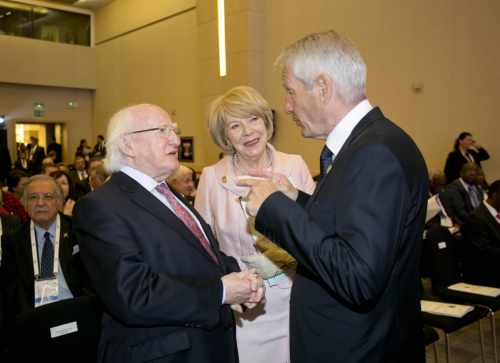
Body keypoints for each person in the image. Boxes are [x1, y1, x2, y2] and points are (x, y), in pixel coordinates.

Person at [239, 30, 428, 363]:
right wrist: (296, 199)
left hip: (359, 349)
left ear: (323, 88)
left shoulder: (375, 153)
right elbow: (348, 230)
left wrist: (275, 209)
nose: (286, 106)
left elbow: (358, 275)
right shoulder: (368, 144)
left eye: (290, 92)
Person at [72, 103, 264, 363]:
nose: (175, 139)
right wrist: (221, 292)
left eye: (174, 130)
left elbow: (203, 256)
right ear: (128, 146)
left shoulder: (167, 193)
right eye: (162, 130)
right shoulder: (100, 207)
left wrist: (241, 280)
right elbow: (133, 294)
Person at [195, 85, 315, 363]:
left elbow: (315, 230)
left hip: (295, 299)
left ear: (266, 121)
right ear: (225, 137)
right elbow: (203, 249)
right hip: (245, 306)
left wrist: (284, 259)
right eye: (235, 125)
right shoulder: (212, 178)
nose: (248, 131)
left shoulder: (294, 165)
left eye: (253, 119)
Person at [0, 175, 87, 329]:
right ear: (25, 204)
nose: (40, 203)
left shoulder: (79, 232)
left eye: (48, 196)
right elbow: (11, 295)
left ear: (59, 202)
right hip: (36, 320)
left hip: (76, 313)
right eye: (33, 197)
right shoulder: (13, 242)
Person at [462, 180, 500, 286]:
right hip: (487, 271)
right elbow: (484, 250)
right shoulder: (476, 218)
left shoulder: (496, 212)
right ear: (495, 195)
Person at [439, 162, 484, 228]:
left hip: (478, 222)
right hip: (464, 225)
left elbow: (482, 207)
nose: (472, 173)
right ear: (461, 173)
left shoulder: (477, 187)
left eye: (475, 170)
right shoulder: (453, 188)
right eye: (469, 170)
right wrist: (480, 222)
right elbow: (461, 212)